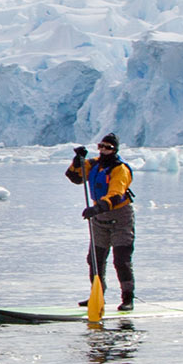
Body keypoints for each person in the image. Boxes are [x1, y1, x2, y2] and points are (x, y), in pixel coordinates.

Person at [67, 132, 135, 311]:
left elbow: (115, 195)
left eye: (108, 148)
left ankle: (128, 299)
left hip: (120, 217)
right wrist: (77, 160)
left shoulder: (120, 169)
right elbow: (74, 177)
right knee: (95, 260)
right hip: (100, 219)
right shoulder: (93, 164)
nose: (104, 150)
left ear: (114, 150)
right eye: (101, 146)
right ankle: (97, 296)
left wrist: (96, 208)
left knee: (121, 260)